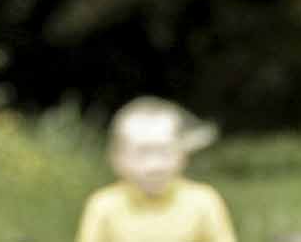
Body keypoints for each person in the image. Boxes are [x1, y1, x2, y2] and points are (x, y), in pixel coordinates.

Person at [74, 96, 236, 242]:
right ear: (118, 158)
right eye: (142, 153)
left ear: (182, 155)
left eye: (164, 151)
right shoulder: (103, 206)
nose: (154, 166)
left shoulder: (204, 202)